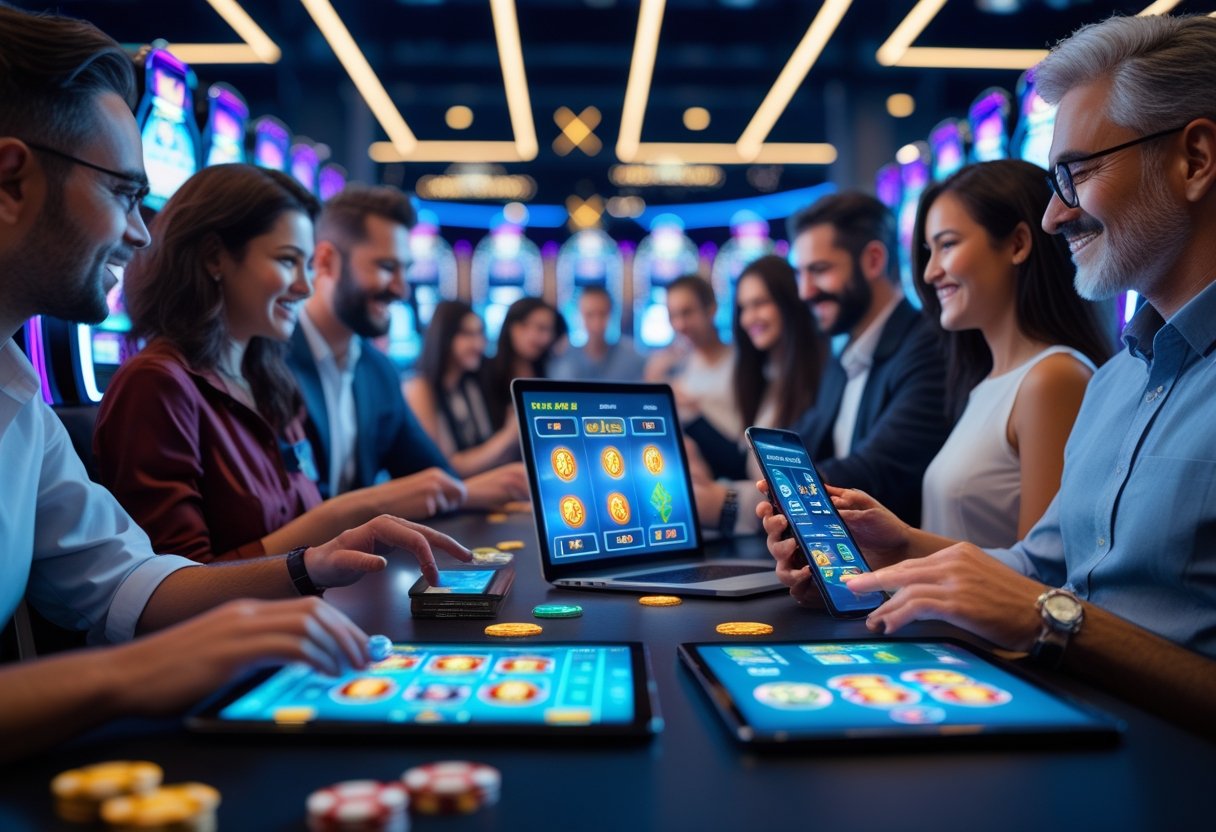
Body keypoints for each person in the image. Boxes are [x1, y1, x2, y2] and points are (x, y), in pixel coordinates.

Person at [0, 3, 466, 761]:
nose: (141, 231)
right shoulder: (155, 383)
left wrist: (308, 565)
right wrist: (135, 671)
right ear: (12, 181)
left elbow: (129, 582)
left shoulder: (22, 405)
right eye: (122, 192)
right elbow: (147, 619)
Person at [761, 13, 1216, 737]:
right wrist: (896, 551)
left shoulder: (1064, 375)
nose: (1057, 213)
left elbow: (1047, 606)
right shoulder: (1116, 381)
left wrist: (1055, 625)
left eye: (1078, 172)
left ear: (1195, 159)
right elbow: (1043, 567)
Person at [93, 165, 468, 562]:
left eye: (307, 266)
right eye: (288, 261)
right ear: (214, 258)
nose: (305, 287)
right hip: (239, 625)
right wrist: (353, 511)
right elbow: (174, 589)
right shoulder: (157, 385)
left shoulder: (266, 378)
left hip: (303, 614)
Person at [915, 159, 1112, 546]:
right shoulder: (987, 382)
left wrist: (899, 548)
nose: (930, 272)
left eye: (948, 245)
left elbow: (1040, 575)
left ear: (1018, 244)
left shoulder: (1052, 379)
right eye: (929, 251)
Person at [290, 185, 527, 503]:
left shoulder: (378, 370)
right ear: (326, 261)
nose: (403, 291)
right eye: (387, 268)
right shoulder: (269, 359)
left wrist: (511, 485)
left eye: (406, 270)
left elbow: (435, 476)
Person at [787, 192, 951, 525]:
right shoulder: (844, 353)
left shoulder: (929, 344)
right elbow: (801, 447)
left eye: (819, 270)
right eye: (799, 273)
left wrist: (736, 503)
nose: (805, 292)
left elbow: (875, 473)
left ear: (874, 260)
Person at [692, 255, 825, 534]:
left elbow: (808, 488)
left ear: (789, 301)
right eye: (743, 307)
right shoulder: (765, 377)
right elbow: (750, 467)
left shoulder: (821, 377)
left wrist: (727, 501)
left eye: (760, 303)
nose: (749, 317)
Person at [403, 300, 520, 477]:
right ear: (444, 336)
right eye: (467, 334)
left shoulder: (471, 384)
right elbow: (443, 467)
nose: (478, 344)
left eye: (480, 334)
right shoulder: (419, 387)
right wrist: (508, 436)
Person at [643, 274, 741, 477]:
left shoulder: (741, 364)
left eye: (687, 312)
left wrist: (692, 409)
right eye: (673, 316)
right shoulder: (678, 365)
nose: (679, 324)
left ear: (711, 309)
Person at [481, 296, 562, 430]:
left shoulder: (546, 369)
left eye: (550, 330)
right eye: (541, 328)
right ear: (515, 328)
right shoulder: (487, 372)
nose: (546, 338)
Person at [548, 285, 646, 381]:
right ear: (579, 316)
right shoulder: (564, 358)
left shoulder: (629, 355)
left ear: (611, 314)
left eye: (602, 314)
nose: (596, 322)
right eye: (589, 315)